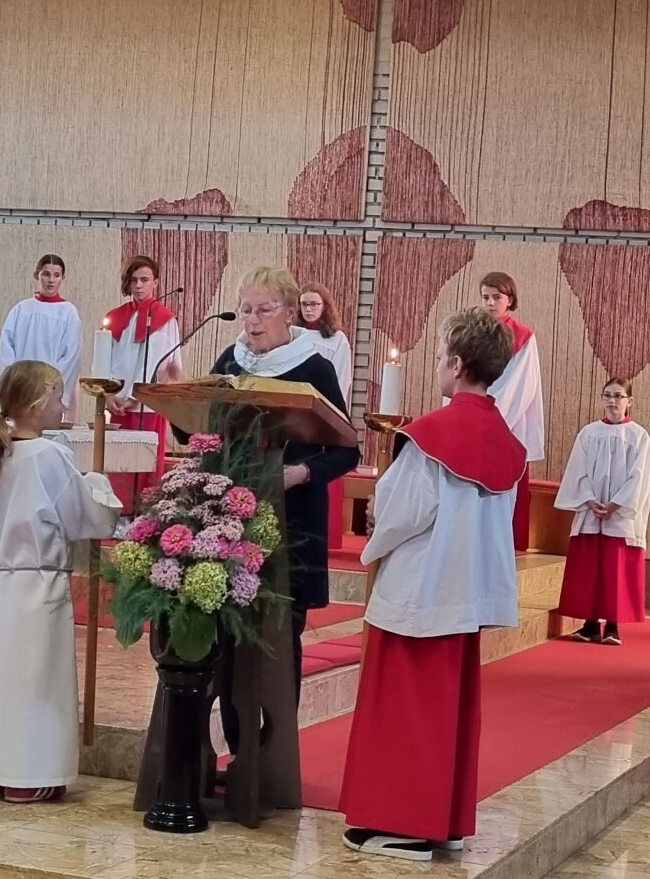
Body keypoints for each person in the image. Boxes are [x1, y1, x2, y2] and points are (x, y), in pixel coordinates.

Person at [339, 308, 525, 861]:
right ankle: (440, 819)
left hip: (420, 592)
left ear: (458, 364)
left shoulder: (431, 436)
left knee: (406, 713)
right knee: (444, 713)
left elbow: (403, 512)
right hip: (463, 596)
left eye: (442, 355)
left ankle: (408, 825)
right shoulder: (507, 443)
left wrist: (374, 528)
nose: (438, 365)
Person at [174, 266, 360, 710]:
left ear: (290, 312)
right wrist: (178, 403)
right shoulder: (232, 361)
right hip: (230, 520)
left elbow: (347, 451)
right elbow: (194, 426)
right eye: (246, 310)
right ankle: (234, 741)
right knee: (229, 637)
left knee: (280, 640)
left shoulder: (313, 367)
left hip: (292, 521)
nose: (252, 321)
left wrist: (301, 473)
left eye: (264, 310)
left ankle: (277, 744)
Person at [0, 360, 121, 803]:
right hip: (40, 587)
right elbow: (83, 517)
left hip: (2, 583)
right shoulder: (49, 456)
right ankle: (28, 773)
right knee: (35, 682)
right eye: (58, 397)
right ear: (37, 405)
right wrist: (98, 484)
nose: (64, 405)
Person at [554, 378, 650, 646]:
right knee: (590, 568)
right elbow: (577, 470)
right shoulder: (589, 433)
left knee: (614, 568)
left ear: (629, 401)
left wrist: (615, 504)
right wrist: (588, 500)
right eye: (607, 395)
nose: (612, 401)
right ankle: (589, 624)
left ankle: (612, 625)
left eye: (618, 396)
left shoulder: (639, 436)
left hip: (619, 514)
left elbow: (639, 477)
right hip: (591, 510)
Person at [104, 255, 181, 514]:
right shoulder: (115, 317)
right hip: (117, 404)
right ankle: (118, 513)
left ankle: (145, 517)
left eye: (144, 280)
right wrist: (108, 394)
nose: (138, 285)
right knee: (117, 462)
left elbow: (163, 363)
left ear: (155, 283)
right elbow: (105, 358)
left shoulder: (165, 319)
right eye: (134, 280)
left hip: (147, 405)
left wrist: (136, 395)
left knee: (146, 463)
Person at [480, 271, 544, 553]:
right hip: (475, 420)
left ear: (510, 300)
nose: (490, 303)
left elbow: (521, 385)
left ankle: (498, 546)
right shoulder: (472, 331)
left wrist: (490, 418)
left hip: (507, 423)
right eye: (485, 297)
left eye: (497, 297)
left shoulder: (522, 337)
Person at [0, 254, 82, 422]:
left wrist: (48, 385)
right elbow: (6, 349)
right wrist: (16, 382)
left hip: (49, 391)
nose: (51, 280)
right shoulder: (21, 309)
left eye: (56, 275)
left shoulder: (68, 312)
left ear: (63, 278)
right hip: (21, 389)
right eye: (46, 274)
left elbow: (71, 356)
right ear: (36, 275)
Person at [295, 282, 354, 551]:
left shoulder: (336, 339)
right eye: (304, 304)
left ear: (325, 306)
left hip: (324, 411)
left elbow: (341, 378)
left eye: (314, 304)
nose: (308, 309)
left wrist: (328, 412)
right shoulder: (292, 336)